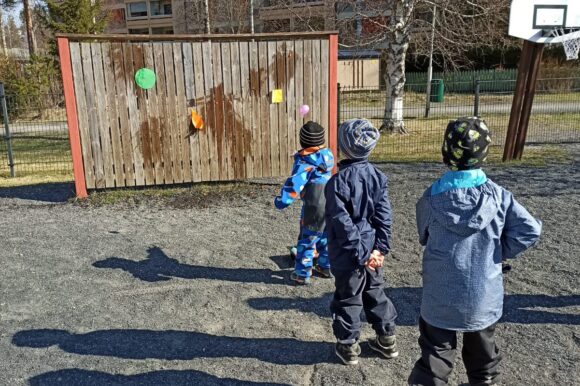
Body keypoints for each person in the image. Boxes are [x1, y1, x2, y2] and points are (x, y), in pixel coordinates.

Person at [408, 117, 542, 386]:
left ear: (446, 152)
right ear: (484, 154)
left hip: (440, 294)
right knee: (483, 357)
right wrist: (499, 251)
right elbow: (530, 230)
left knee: (435, 354)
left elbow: (423, 235)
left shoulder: (430, 198)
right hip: (483, 293)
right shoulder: (500, 196)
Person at [325, 119, 398, 366]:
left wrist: (361, 252)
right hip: (371, 251)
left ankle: (348, 345)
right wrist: (379, 249)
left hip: (349, 254)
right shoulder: (378, 177)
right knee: (375, 292)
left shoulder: (337, 182)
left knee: (348, 297)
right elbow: (384, 216)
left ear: (343, 148)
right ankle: (387, 339)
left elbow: (342, 223)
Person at [275, 121, 334, 285]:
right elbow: (314, 157)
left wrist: (282, 201)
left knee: (307, 239)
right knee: (325, 236)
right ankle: (326, 266)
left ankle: (302, 273)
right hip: (330, 202)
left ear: (302, 141)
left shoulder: (305, 162)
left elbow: (295, 184)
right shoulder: (327, 155)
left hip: (314, 206)